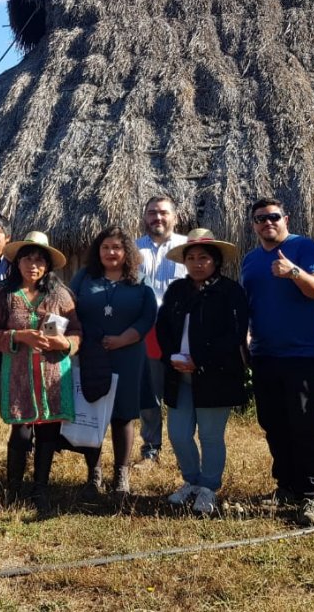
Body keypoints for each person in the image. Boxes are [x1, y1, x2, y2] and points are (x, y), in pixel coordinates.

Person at [240, 198, 314, 527]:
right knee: (273, 423)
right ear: (254, 225)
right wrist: (245, 341)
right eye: (260, 219)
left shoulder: (305, 248)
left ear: (285, 219)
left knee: (303, 424)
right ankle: (287, 486)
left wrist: (293, 272)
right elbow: (249, 305)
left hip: (300, 354)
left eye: (273, 217)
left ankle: (312, 493)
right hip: (263, 354)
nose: (267, 222)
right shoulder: (250, 260)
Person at [0, 231, 81, 514]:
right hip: (18, 375)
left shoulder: (60, 295)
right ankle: (14, 487)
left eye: (39, 260)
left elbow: (76, 331)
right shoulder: (4, 294)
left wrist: (65, 343)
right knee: (22, 432)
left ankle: (41, 488)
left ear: (47, 265)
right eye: (27, 259)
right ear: (18, 262)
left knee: (48, 432)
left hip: (52, 375)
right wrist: (19, 336)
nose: (33, 265)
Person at [157, 229, 249, 515]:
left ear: (215, 260)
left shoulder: (230, 292)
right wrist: (171, 357)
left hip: (215, 374)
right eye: (192, 258)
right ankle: (192, 481)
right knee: (178, 434)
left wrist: (199, 360)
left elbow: (235, 334)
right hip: (179, 374)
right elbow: (163, 328)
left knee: (210, 435)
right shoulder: (177, 290)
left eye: (204, 258)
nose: (197, 263)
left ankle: (209, 487)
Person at [69, 226, 157, 498]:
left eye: (116, 247)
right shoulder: (85, 277)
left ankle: (121, 475)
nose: (110, 252)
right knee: (93, 411)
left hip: (128, 355)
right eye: (105, 247)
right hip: (91, 354)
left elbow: (147, 316)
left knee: (123, 414)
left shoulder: (139, 280)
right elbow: (68, 308)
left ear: (126, 251)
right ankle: (93, 474)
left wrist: (122, 339)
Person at [135, 196, 187, 465]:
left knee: (183, 393)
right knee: (150, 393)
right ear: (144, 217)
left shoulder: (187, 248)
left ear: (175, 217)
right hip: (147, 331)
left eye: (164, 212)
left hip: (182, 332)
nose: (157, 217)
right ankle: (151, 449)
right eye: (152, 212)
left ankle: (185, 450)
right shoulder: (133, 250)